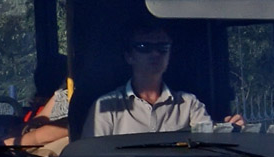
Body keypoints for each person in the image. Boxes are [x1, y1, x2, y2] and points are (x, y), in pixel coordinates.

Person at [83, 23, 243, 137]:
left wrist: (230, 131)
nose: (155, 54)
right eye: (144, 47)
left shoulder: (189, 105)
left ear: (169, 55)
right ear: (129, 56)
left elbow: (209, 147)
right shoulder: (106, 107)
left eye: (162, 48)